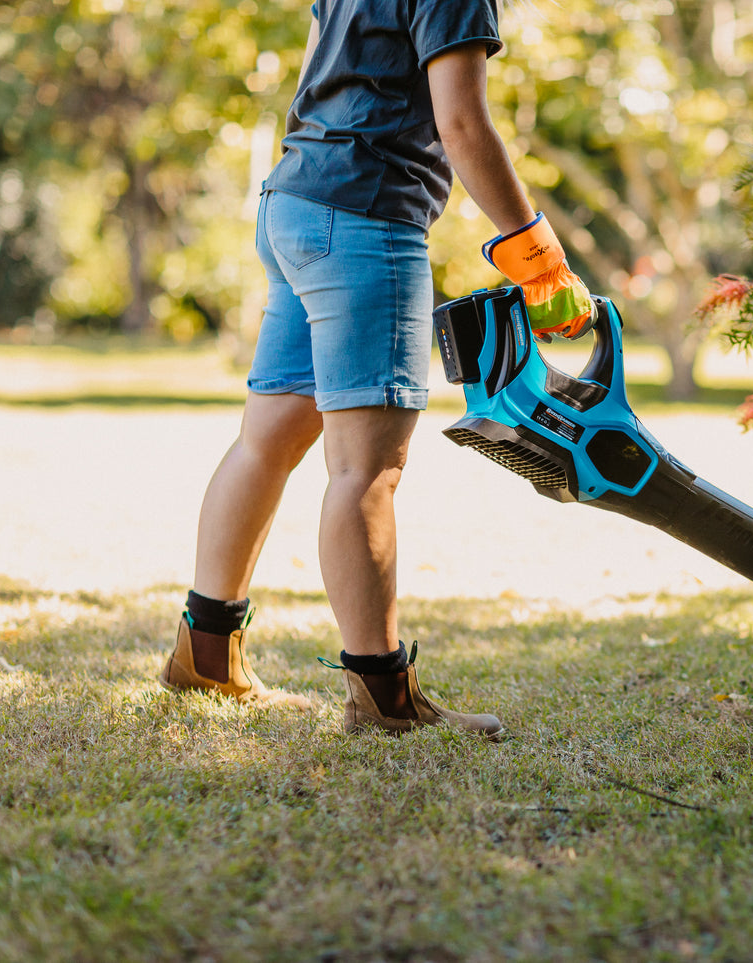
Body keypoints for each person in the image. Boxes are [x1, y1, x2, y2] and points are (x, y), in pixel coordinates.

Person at [157, 0, 593, 736]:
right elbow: (460, 124)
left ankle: (205, 655)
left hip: (296, 200)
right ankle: (384, 699)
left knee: (267, 441)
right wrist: (536, 253)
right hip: (364, 218)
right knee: (366, 471)